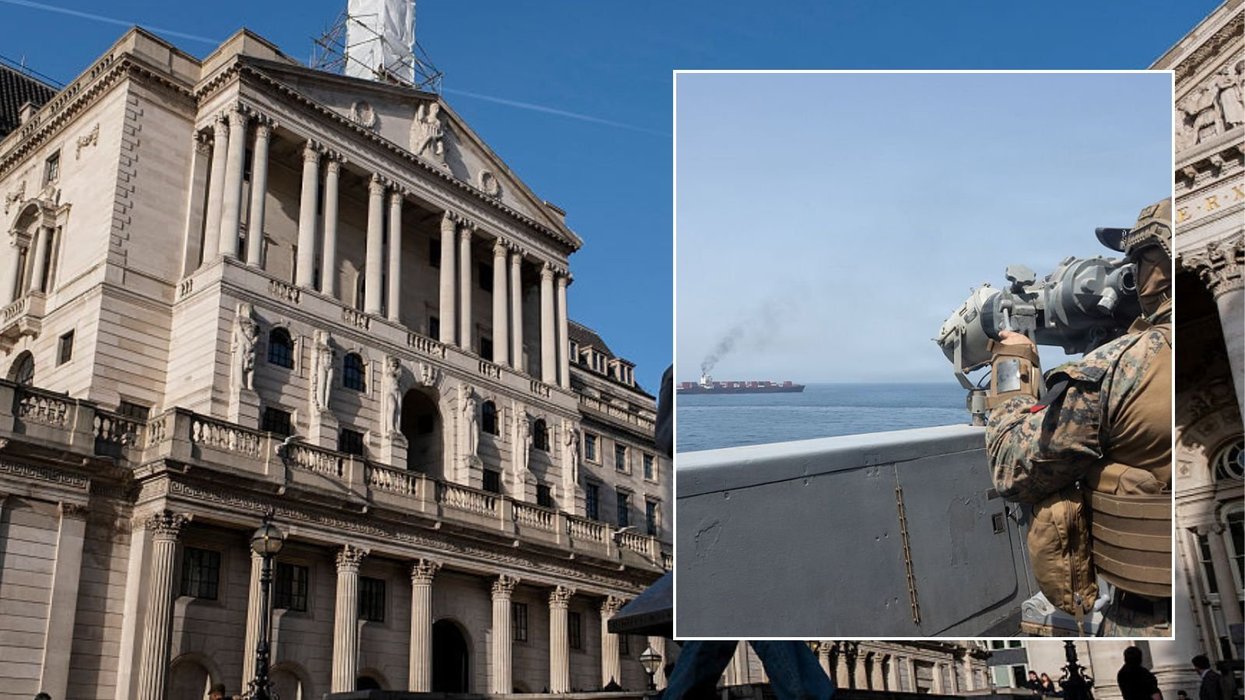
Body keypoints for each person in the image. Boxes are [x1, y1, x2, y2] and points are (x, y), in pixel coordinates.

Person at [987, 198, 1174, 635]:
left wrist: (1011, 364)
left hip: (1150, 620)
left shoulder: (1121, 368)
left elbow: (1011, 468)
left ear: (1155, 268)